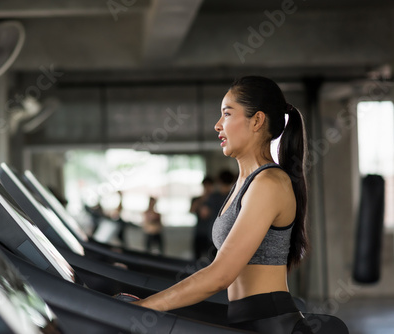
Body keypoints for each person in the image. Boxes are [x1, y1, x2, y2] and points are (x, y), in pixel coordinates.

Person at [132, 76, 312, 333]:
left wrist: (144, 308)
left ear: (257, 120)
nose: (217, 125)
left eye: (227, 114)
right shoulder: (244, 182)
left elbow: (220, 274)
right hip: (246, 319)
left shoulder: (269, 182)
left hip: (273, 324)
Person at [190, 176, 215, 259]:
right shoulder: (197, 199)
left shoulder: (216, 198)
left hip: (212, 233)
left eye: (209, 186)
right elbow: (191, 210)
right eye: (205, 186)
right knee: (197, 257)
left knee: (211, 258)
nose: (207, 188)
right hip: (200, 232)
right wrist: (202, 199)